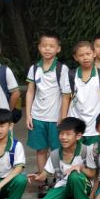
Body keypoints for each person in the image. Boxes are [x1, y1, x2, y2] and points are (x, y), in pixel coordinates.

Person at [30, 117, 94, 199]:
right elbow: (45, 174)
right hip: (63, 186)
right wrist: (38, 177)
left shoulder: (87, 150)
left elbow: (93, 174)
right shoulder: (55, 154)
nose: (63, 137)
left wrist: (81, 168)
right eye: (61, 133)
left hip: (84, 186)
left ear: (78, 136)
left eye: (68, 134)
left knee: (74, 176)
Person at [25, 31, 68, 183]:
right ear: (39, 47)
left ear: (58, 49)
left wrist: (63, 117)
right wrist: (28, 114)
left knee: (57, 150)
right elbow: (30, 91)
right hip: (37, 116)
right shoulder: (34, 68)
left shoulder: (62, 69)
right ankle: (42, 181)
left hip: (55, 118)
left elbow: (66, 94)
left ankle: (58, 180)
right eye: (44, 46)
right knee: (41, 150)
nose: (47, 49)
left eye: (51, 46)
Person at [60, 40, 100, 146]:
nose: (85, 57)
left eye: (88, 54)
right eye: (81, 55)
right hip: (75, 123)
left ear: (94, 54)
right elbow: (66, 98)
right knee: (76, 153)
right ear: (75, 57)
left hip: (95, 124)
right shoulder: (71, 75)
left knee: (95, 152)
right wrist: (63, 120)